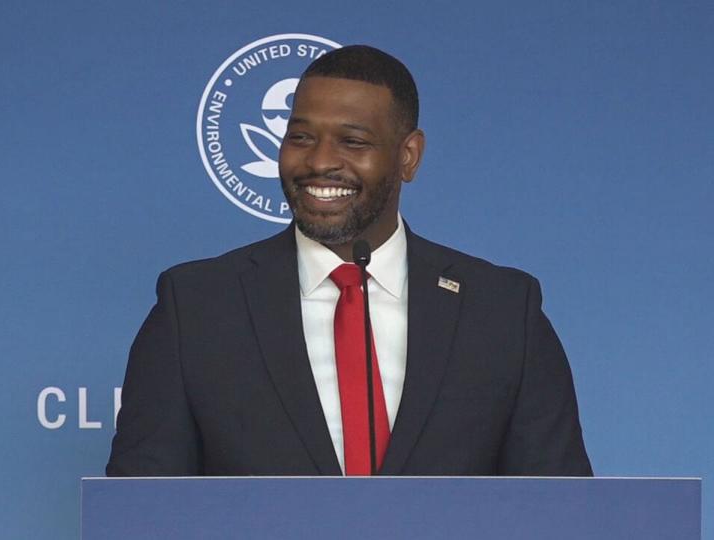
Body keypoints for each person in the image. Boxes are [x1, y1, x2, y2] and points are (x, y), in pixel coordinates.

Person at [106, 45, 591, 477]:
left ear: (408, 156)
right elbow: (140, 513)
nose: (319, 162)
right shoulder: (194, 308)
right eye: (300, 137)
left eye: (352, 142)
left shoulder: (503, 311)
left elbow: (559, 512)